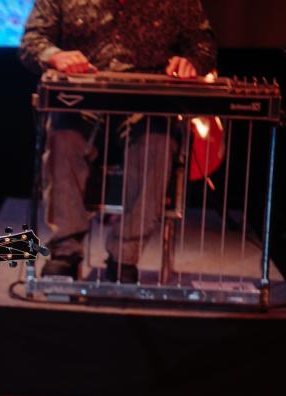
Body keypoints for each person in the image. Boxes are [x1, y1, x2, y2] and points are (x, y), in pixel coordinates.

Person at [19, 0, 216, 282]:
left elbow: (202, 45)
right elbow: (32, 40)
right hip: (83, 94)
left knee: (157, 141)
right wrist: (54, 55)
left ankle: (125, 253)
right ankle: (66, 250)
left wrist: (192, 62)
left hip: (146, 98)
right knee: (64, 135)